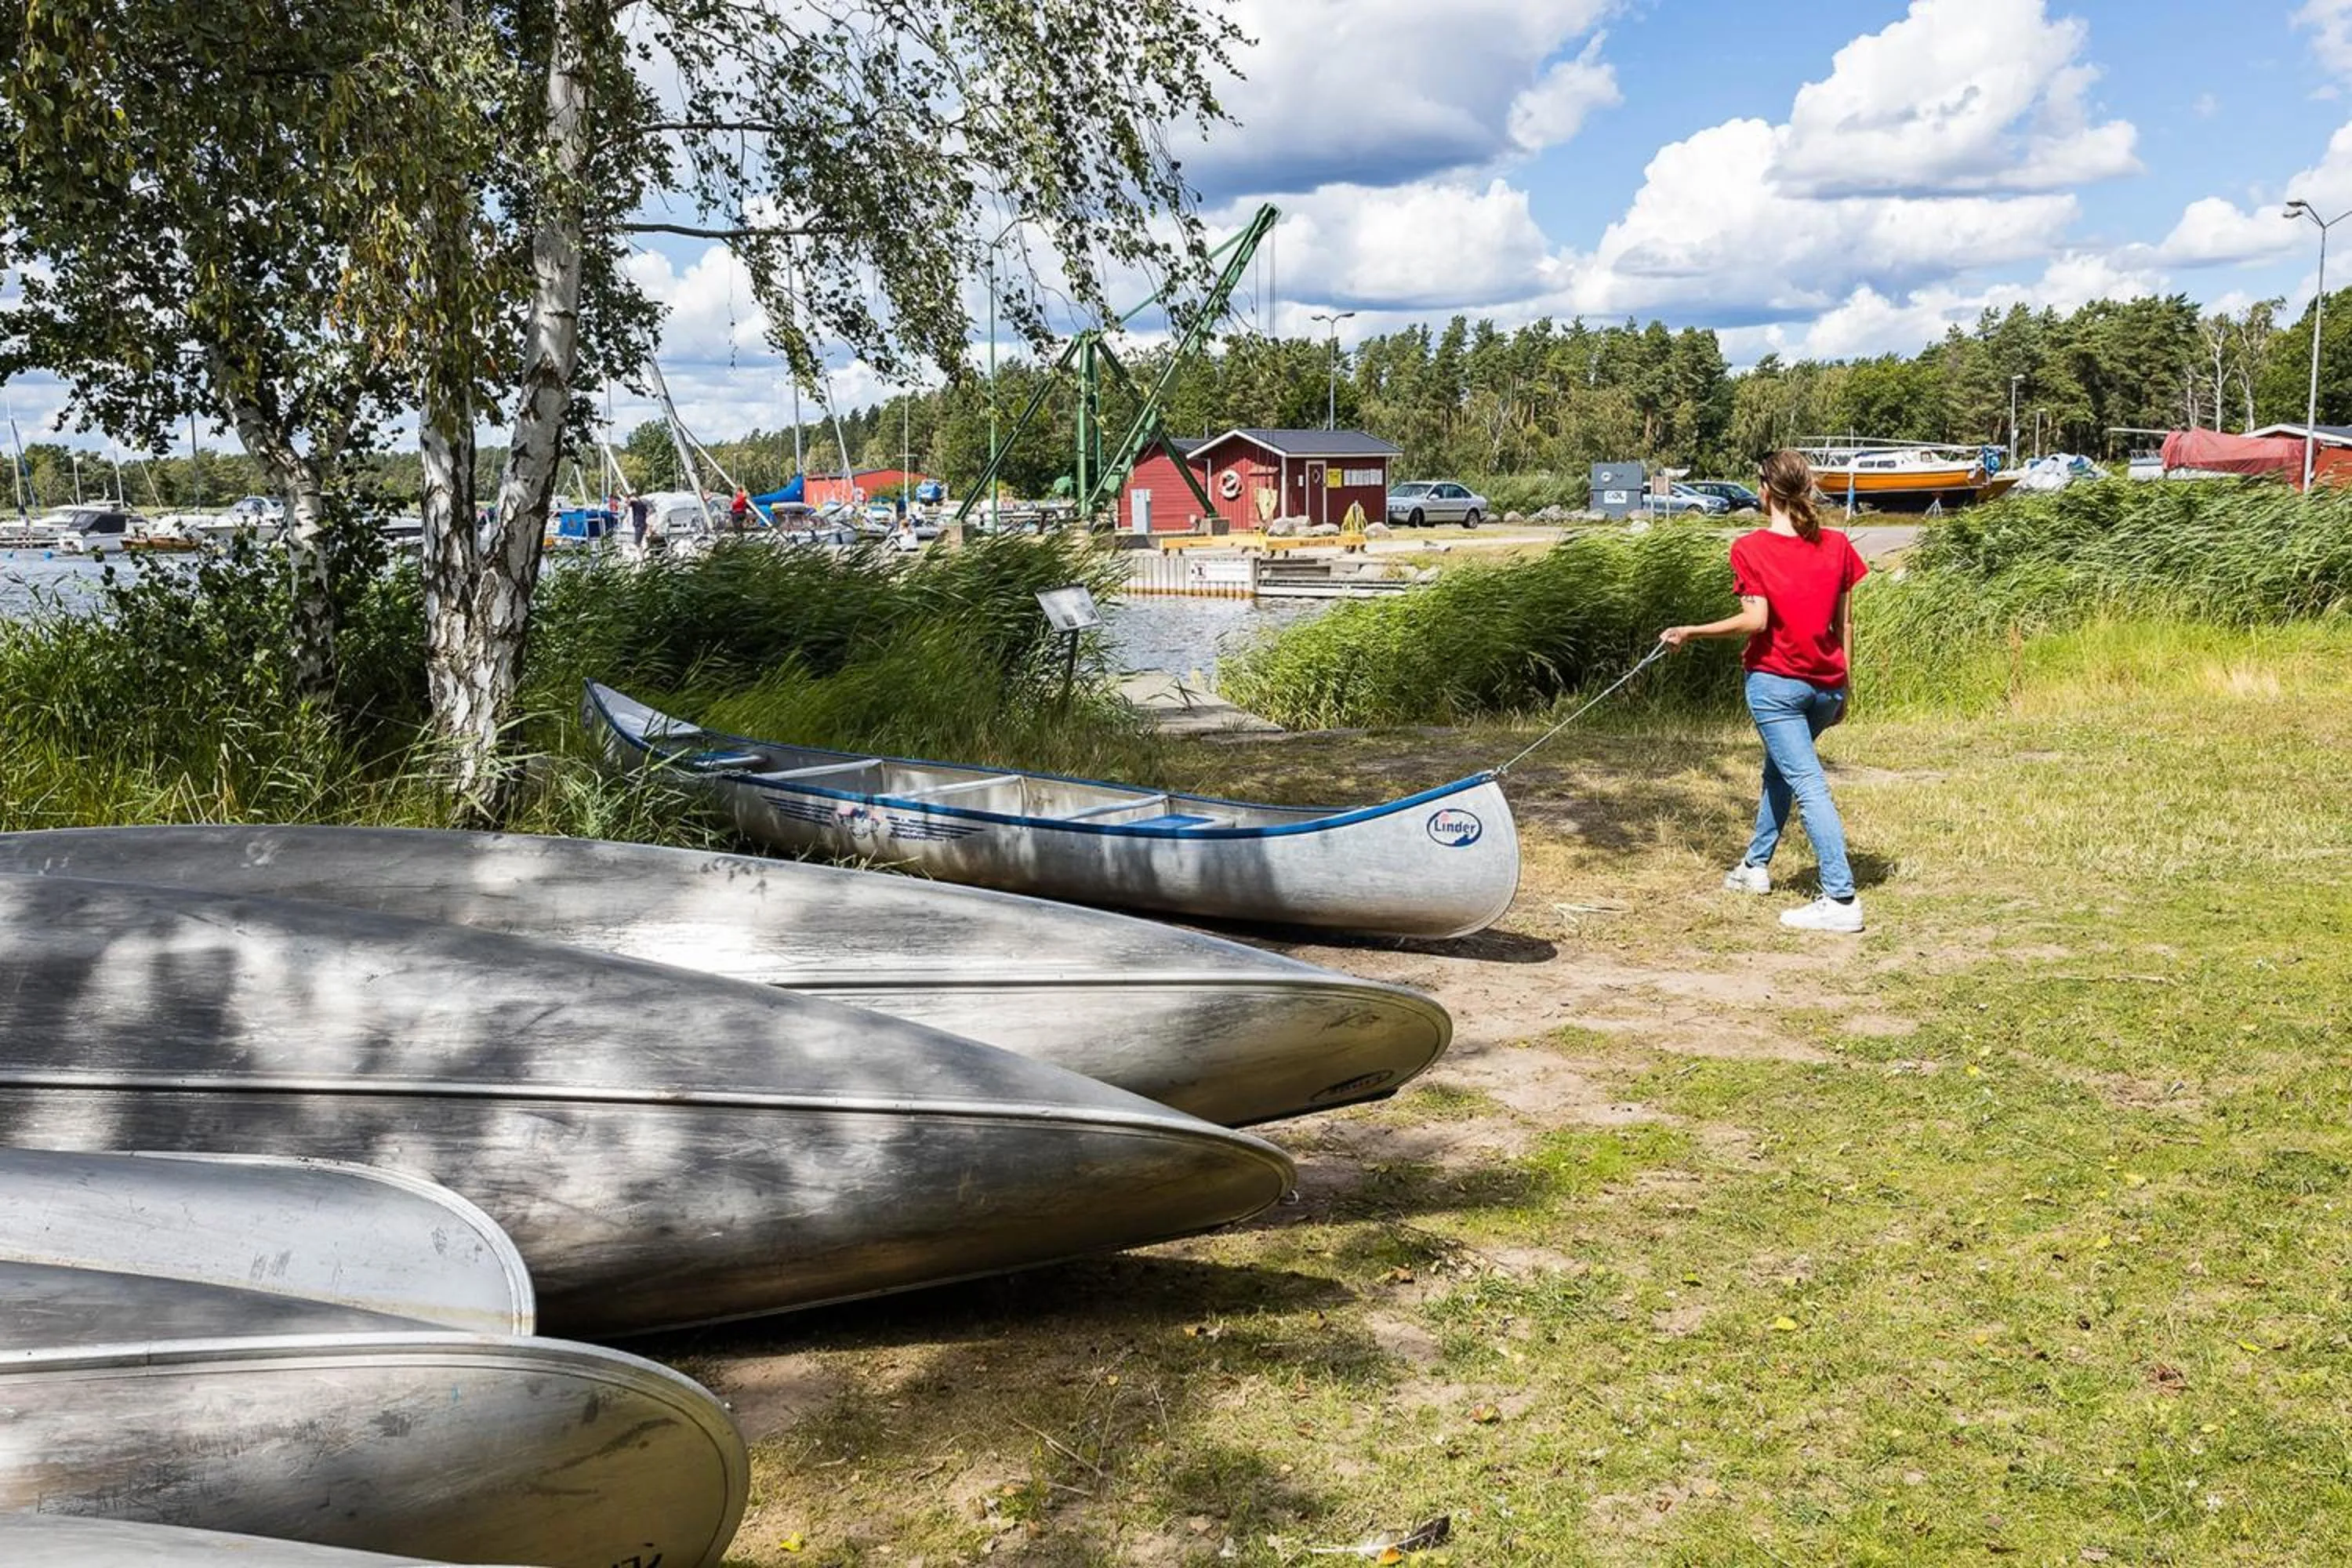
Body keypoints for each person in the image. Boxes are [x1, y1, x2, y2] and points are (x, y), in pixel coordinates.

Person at [1661, 448, 1869, 933]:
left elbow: (1756, 621)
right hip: (1826, 689)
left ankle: (1840, 898)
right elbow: (1846, 624)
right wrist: (1845, 686)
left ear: (1765, 489)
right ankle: (1755, 867)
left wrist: (1690, 630)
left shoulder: (1750, 547)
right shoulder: (1838, 545)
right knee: (1780, 772)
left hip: (1776, 687)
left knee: (1806, 782)